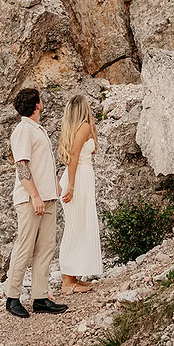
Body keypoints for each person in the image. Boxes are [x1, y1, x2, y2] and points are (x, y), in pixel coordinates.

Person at [4, 87, 69, 319]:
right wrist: (34, 196)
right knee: (25, 247)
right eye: (41, 99)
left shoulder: (36, 129)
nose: (43, 102)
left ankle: (40, 297)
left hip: (47, 198)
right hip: (32, 200)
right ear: (37, 104)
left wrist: (54, 186)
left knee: (45, 248)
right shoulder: (23, 130)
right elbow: (21, 165)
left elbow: (40, 164)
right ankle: (12, 298)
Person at [58, 94, 103, 293]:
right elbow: (74, 155)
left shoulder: (77, 128)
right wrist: (72, 185)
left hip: (80, 177)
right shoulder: (84, 126)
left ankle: (73, 277)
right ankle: (67, 282)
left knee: (79, 224)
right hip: (78, 178)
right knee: (75, 226)